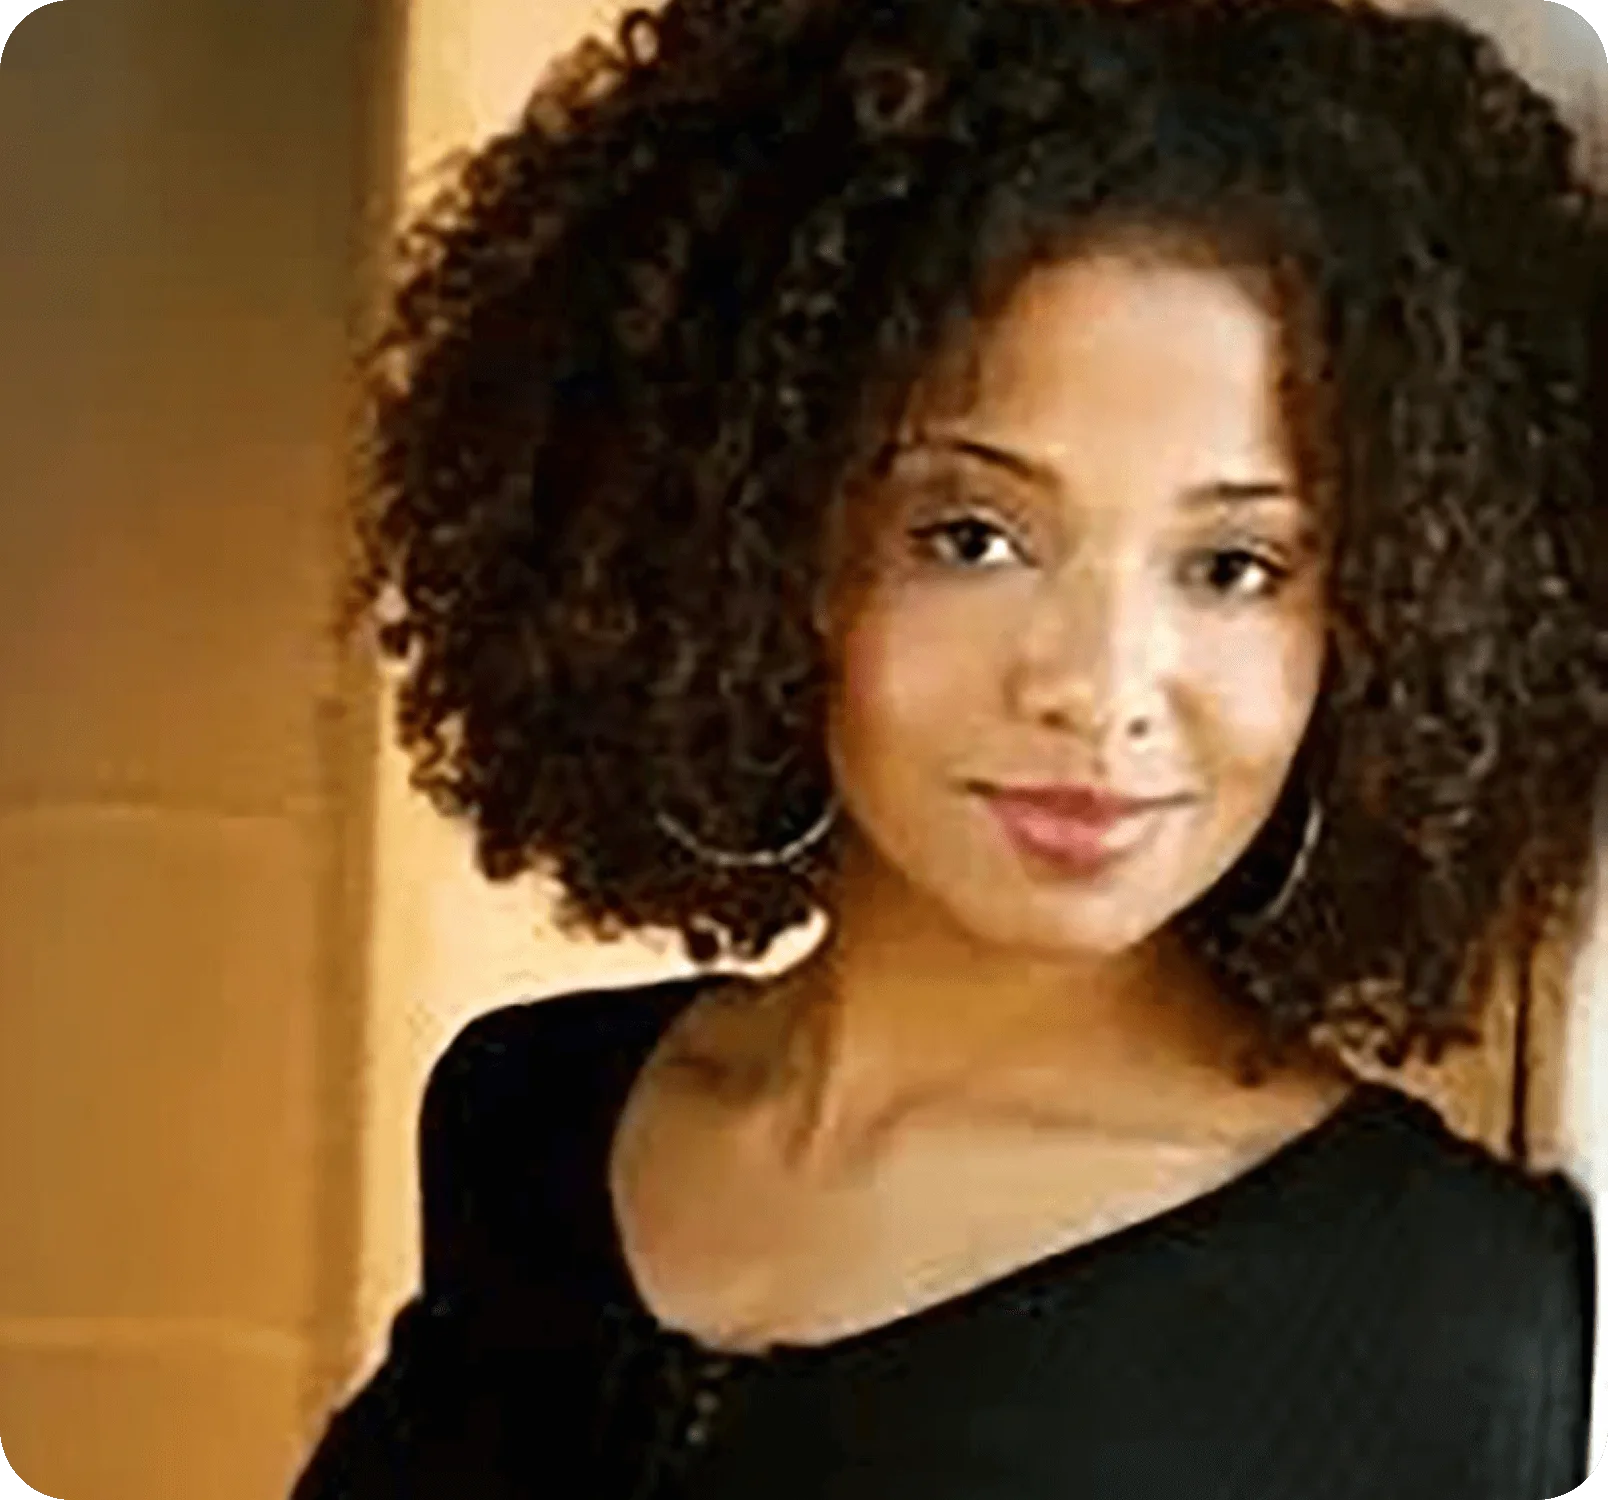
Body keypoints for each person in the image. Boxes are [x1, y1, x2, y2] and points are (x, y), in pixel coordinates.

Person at [297, 0, 1608, 1494]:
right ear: (749, 542)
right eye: (972, 536)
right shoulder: (530, 1117)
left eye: (1236, 566)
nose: (1100, 690)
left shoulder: (1441, 1321)